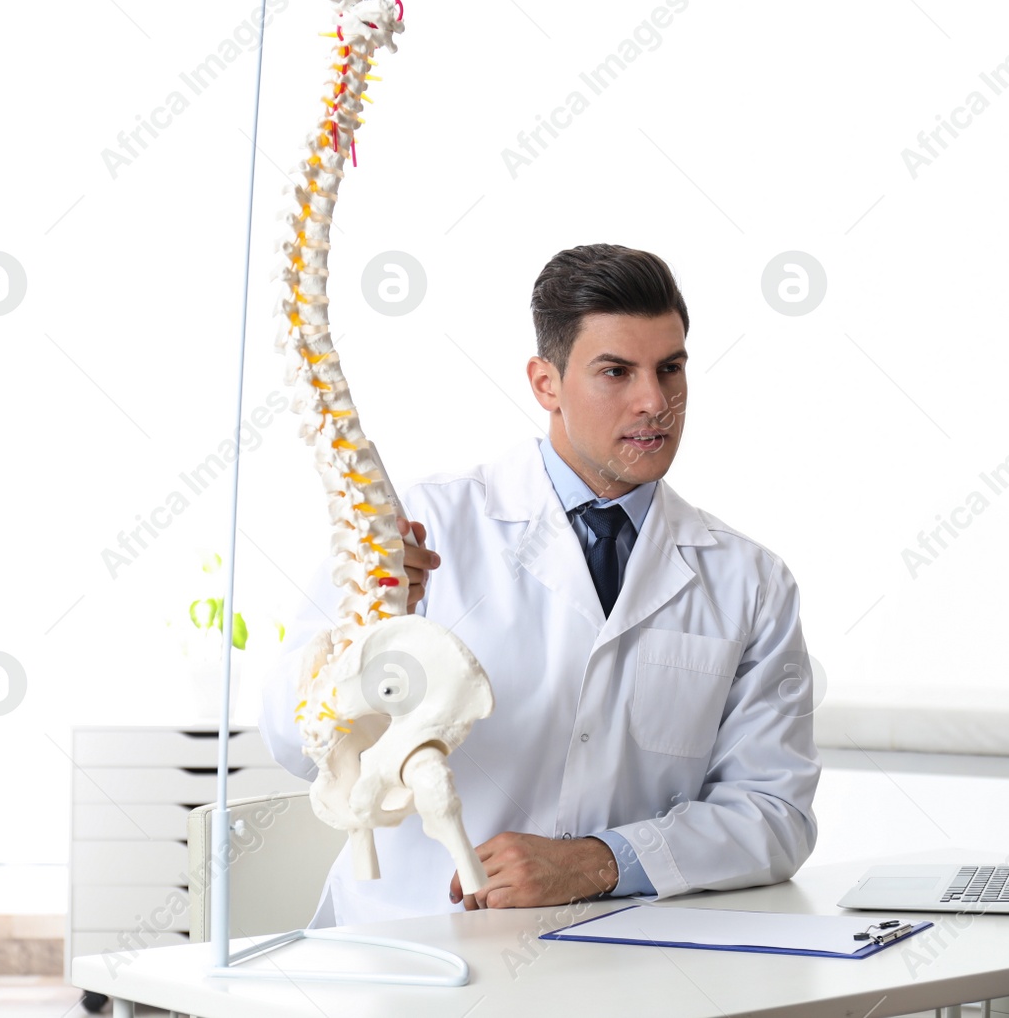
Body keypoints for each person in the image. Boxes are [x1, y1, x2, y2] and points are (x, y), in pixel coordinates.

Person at [261, 243, 820, 927]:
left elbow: (775, 814)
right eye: (616, 371)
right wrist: (364, 636)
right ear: (545, 383)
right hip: (409, 952)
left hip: (629, 964)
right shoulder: (420, 529)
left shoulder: (749, 581)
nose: (655, 402)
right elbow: (290, 742)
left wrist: (598, 861)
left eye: (669, 369)